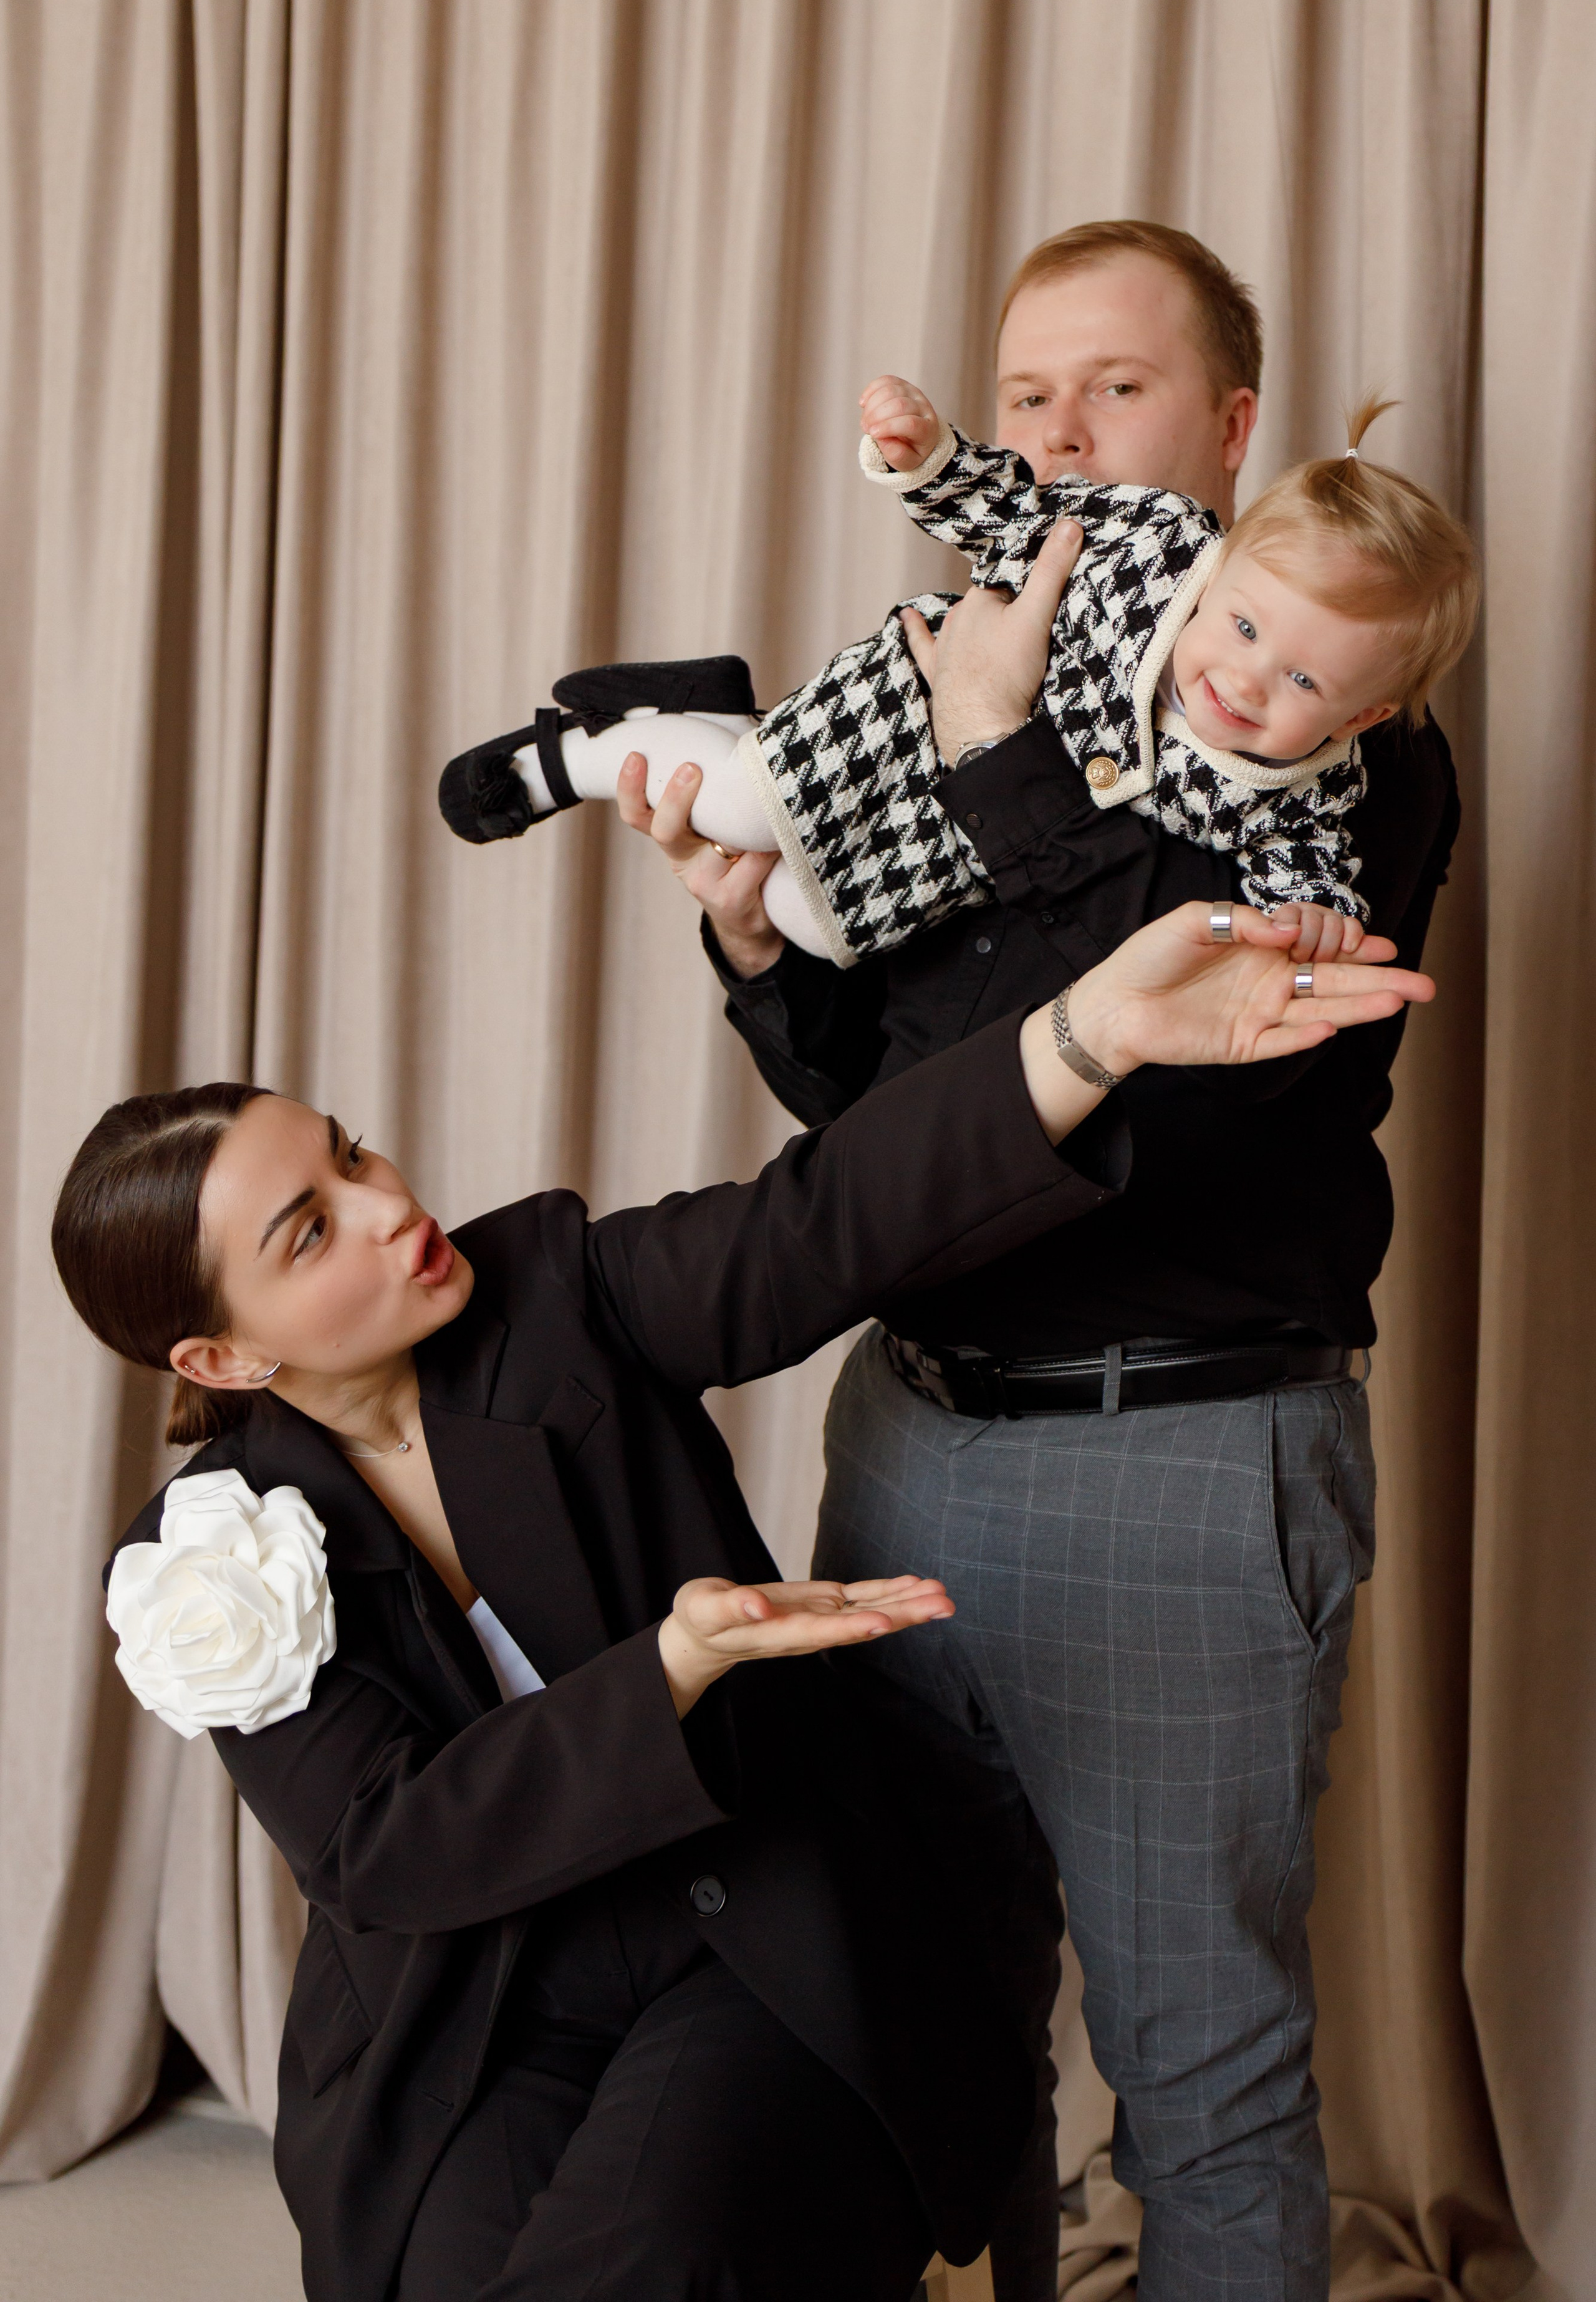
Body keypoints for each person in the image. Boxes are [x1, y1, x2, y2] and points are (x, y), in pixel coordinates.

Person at [56, 868, 1426, 2302]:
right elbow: (387, 1854)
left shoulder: (556, 1294)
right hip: (477, 2013)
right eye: (310, 1230)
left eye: (350, 1157)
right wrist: (664, 1670)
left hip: (745, 1945)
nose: (385, 1203)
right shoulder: (209, 1564)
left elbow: (819, 1224)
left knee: (646, 2261)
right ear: (222, 1360)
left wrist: (1088, 1035)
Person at [615, 221, 1466, 2302]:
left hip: (1175, 1465)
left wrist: (1000, 756)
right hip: (905, 1437)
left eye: (1121, 390)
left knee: (1208, 2078)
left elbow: (1160, 1117)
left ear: (1232, 432)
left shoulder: (1335, 754)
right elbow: (889, 1123)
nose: (1066, 432)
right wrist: (755, 939)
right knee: (931, 2013)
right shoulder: (971, 662)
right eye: (1028, 398)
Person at [438, 395, 1473, 969]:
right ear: (1224, 567)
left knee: (807, 919)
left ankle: (720, 712)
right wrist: (932, 459)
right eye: (1243, 625)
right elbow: (1018, 515)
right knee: (744, 801)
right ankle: (570, 753)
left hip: (969, 838)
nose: (1244, 680)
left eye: (1301, 678)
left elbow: (1306, 877)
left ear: (1363, 713)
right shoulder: (1158, 542)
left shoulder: (1315, 788)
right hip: (906, 703)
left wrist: (1319, 925)